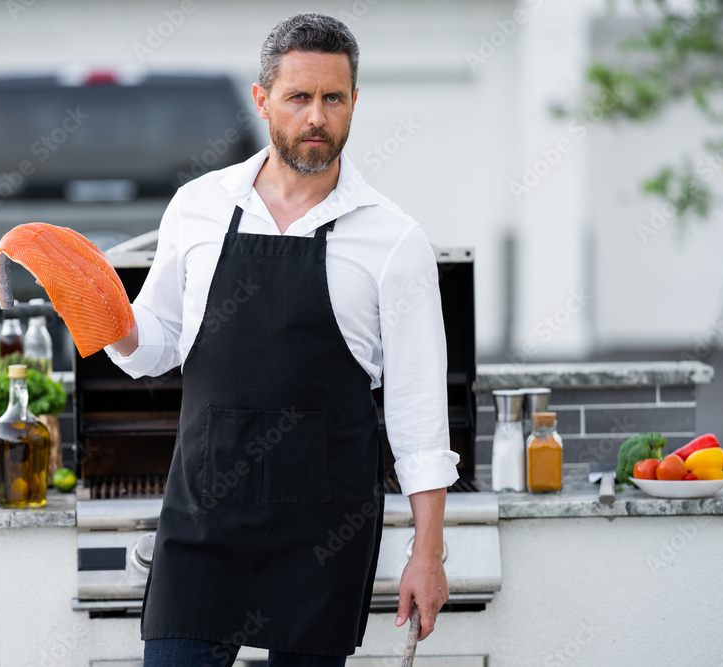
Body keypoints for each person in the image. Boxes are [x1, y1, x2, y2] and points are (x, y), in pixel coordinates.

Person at [105, 12, 459, 667]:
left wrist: (427, 550)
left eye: (333, 97)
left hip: (322, 535)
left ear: (355, 101)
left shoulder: (393, 239)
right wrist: (102, 318)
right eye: (299, 97)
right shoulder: (198, 207)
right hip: (203, 521)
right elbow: (154, 346)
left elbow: (418, 412)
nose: (316, 116)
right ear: (262, 99)